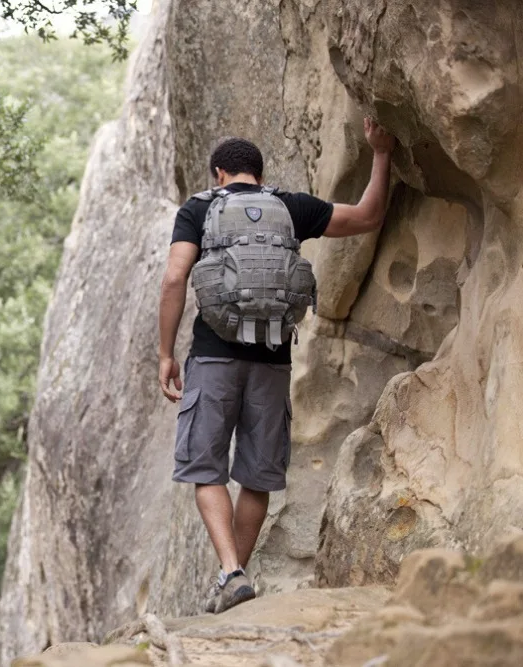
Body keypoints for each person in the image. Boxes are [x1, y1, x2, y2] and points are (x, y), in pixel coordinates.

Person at [156, 117, 396, 613]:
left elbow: (175, 278)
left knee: (206, 469)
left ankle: (230, 572)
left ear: (219, 173)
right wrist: (380, 152)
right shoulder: (291, 207)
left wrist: (164, 354)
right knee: (258, 477)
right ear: (259, 176)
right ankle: (233, 585)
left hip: (214, 356)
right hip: (272, 361)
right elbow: (369, 216)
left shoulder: (199, 208)